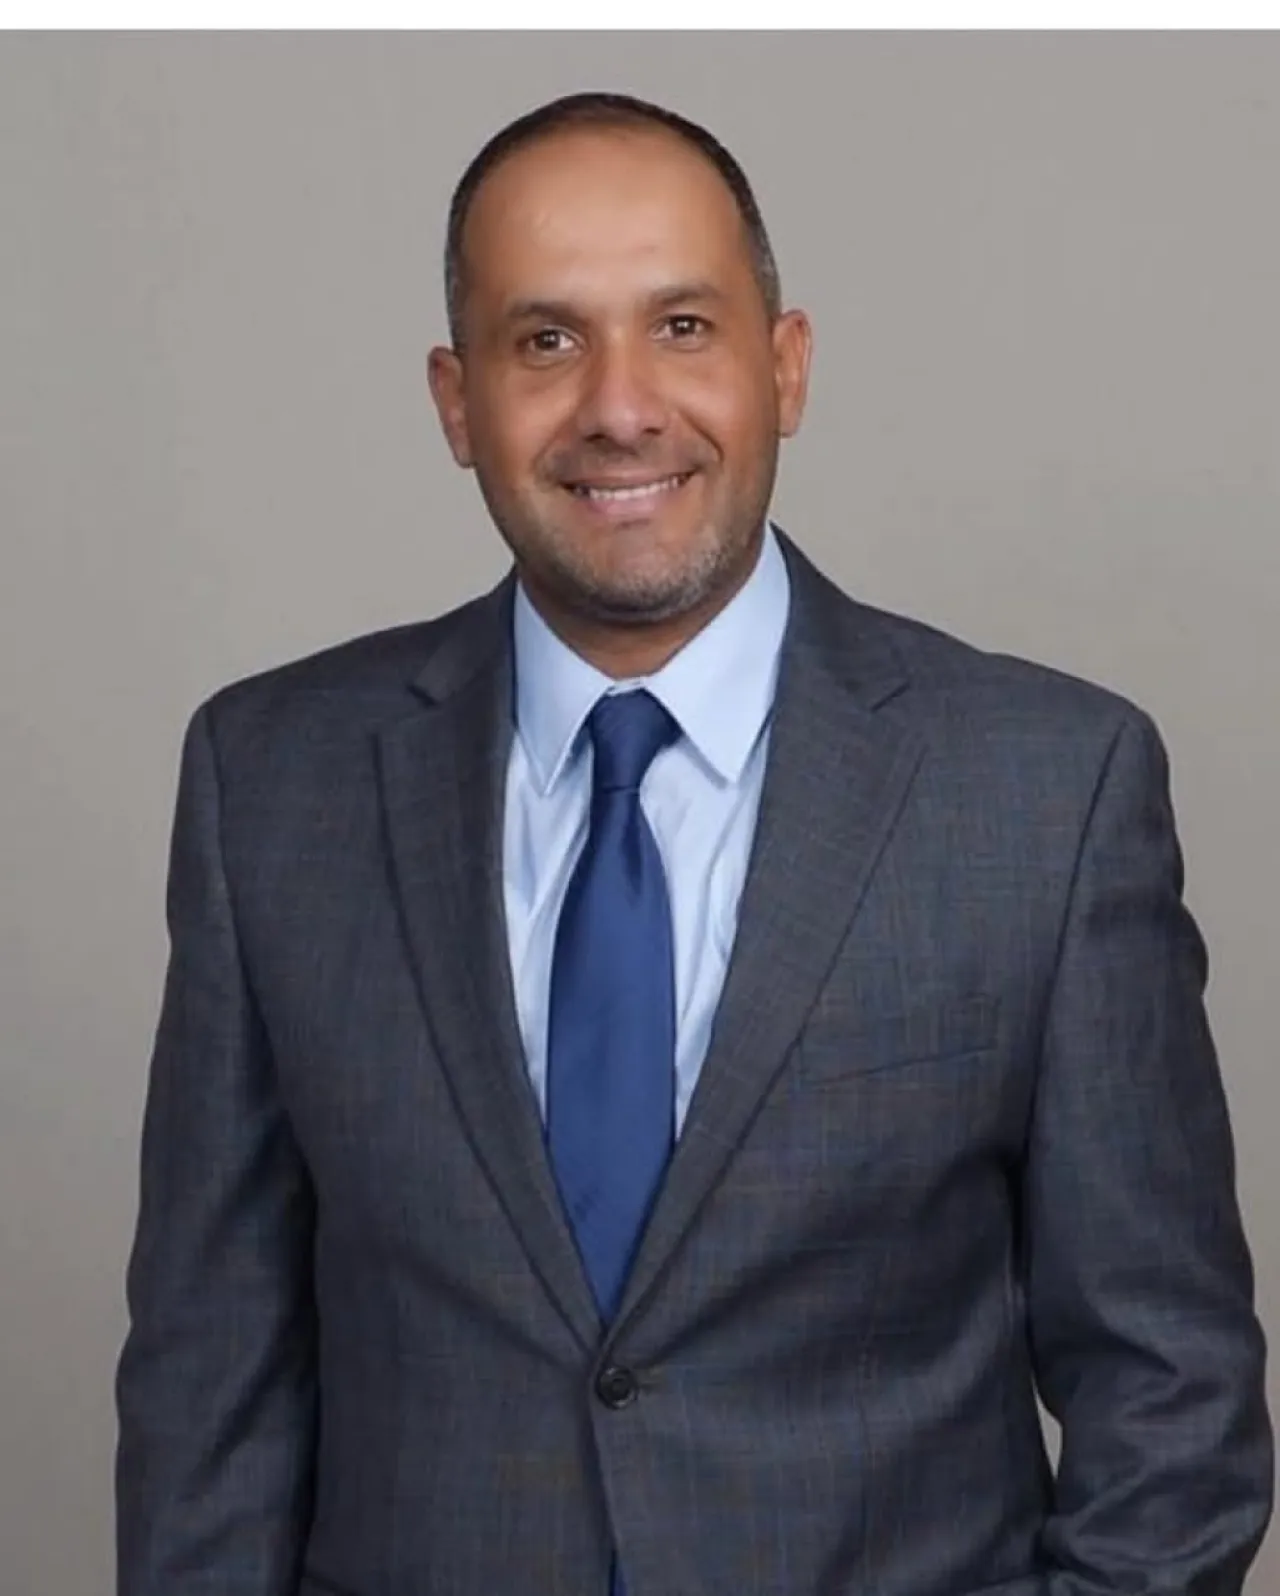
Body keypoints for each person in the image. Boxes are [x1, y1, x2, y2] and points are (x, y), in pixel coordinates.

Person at [115, 91, 1273, 1596]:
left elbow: (1172, 1406)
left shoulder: (1047, 791)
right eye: (546, 340)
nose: (619, 406)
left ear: (784, 367)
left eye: (681, 327)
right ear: (456, 402)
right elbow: (211, 1394)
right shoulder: (271, 782)